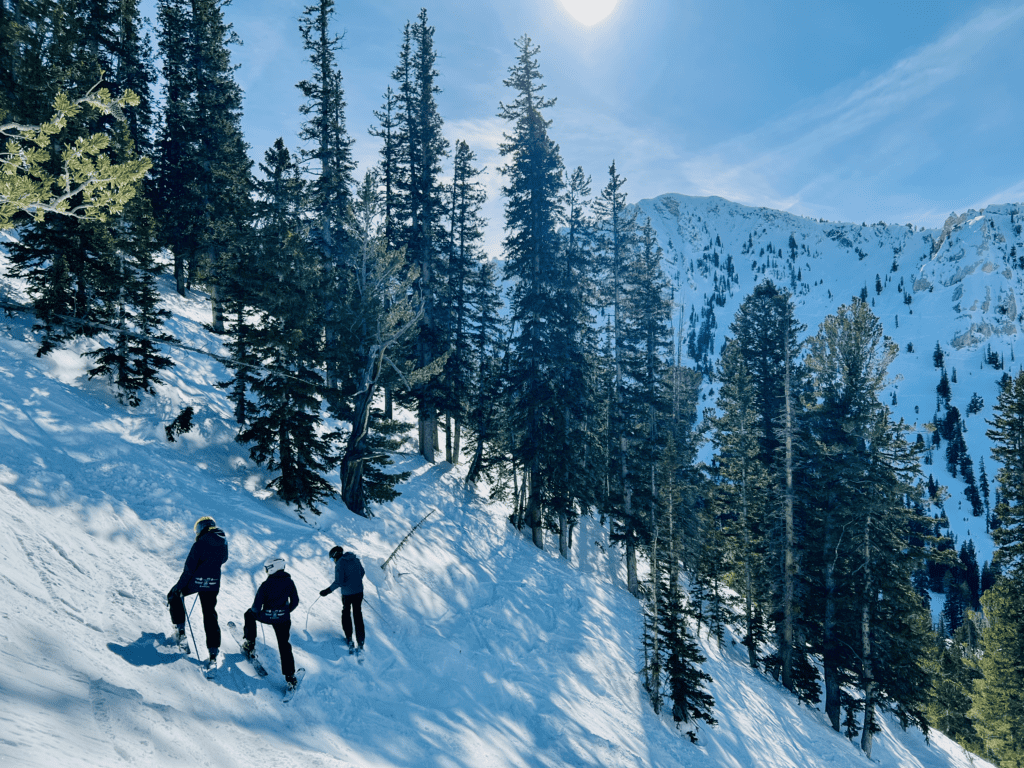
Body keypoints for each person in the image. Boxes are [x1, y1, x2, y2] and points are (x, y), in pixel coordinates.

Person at [167, 516, 228, 666]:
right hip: (213, 584)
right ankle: (213, 651)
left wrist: (179, 587)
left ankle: (180, 631)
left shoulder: (199, 543)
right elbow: (224, 559)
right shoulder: (223, 541)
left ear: (201, 528)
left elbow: (189, 569)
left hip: (195, 582)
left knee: (174, 595)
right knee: (209, 613)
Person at [242, 556, 300, 688]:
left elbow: (255, 608)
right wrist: (285, 612)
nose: (266, 571)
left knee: (249, 614)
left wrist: (262, 613)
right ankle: (290, 677)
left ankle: (250, 643)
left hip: (267, 616)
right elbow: (295, 602)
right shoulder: (289, 582)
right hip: (283, 620)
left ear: (274, 568)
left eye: (267, 568)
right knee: (284, 645)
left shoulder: (266, 584)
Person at [319, 545, 366, 652]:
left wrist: (327, 591)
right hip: (359, 592)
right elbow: (362, 573)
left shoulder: (340, 563)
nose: (332, 561)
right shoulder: (355, 559)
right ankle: (361, 642)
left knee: (346, 613)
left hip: (347, 595)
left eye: (331, 558)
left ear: (335, 555)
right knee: (358, 615)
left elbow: (339, 582)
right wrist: (354, 582)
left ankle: (349, 638)